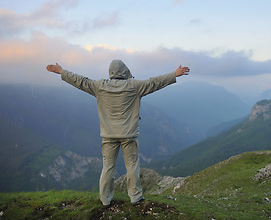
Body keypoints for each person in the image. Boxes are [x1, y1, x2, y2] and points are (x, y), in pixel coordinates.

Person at [46, 60, 190, 206]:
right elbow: (155, 82)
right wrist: (174, 74)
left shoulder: (100, 86)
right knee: (132, 165)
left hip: (108, 135)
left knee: (108, 167)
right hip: (129, 135)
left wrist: (61, 71)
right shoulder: (134, 86)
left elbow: (81, 81)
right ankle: (135, 197)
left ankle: (105, 199)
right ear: (124, 71)